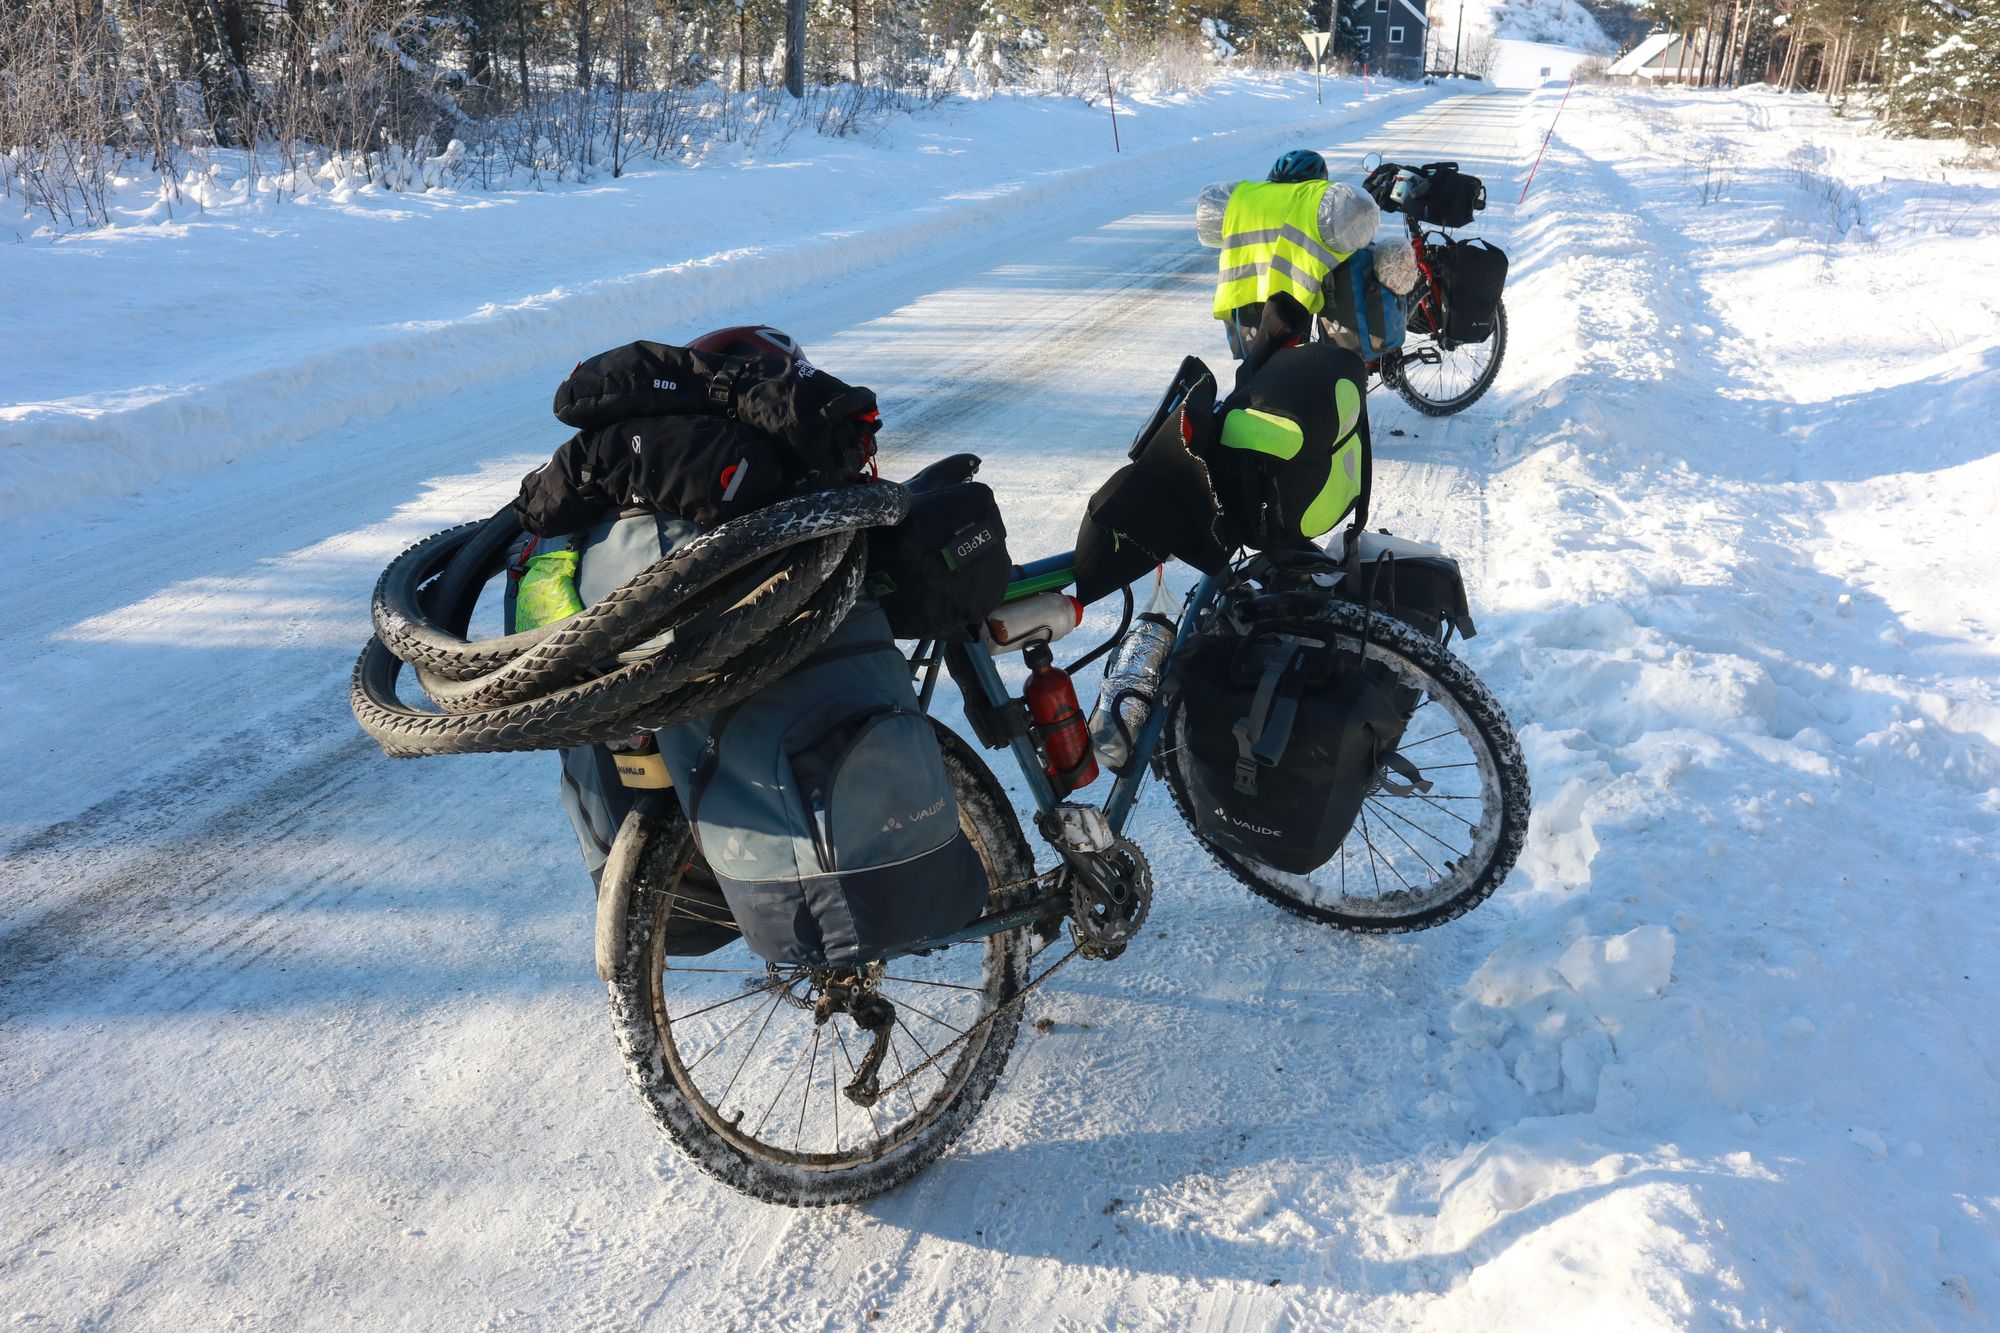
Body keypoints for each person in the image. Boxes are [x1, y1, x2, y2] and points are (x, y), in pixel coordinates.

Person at [1195, 149, 1416, 368]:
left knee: (1260, 364)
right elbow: (1362, 227)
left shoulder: (1244, 198)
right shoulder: (1318, 199)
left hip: (1248, 294)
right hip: (1298, 293)